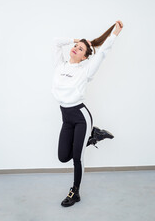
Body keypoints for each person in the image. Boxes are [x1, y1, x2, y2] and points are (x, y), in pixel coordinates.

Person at [51, 20, 123, 207]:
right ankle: (94, 136)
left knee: (77, 157)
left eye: (80, 49)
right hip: (66, 118)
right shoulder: (60, 65)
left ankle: (75, 192)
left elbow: (104, 52)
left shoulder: (86, 70)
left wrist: (114, 33)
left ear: (85, 58)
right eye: (75, 46)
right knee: (62, 156)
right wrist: (80, 39)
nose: (75, 48)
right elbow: (56, 41)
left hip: (81, 116)